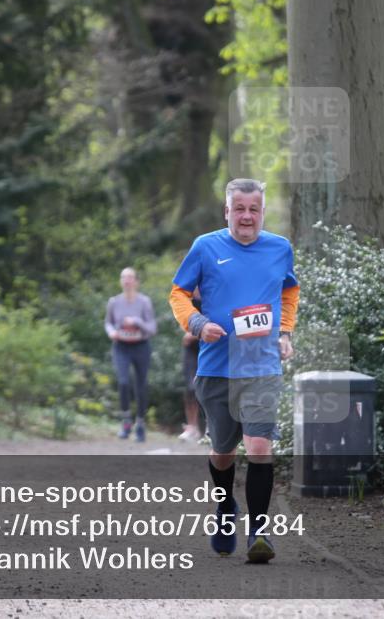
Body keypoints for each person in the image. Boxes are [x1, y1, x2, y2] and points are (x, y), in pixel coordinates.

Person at [168, 178, 299, 564]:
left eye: (253, 209)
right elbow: (178, 293)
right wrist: (197, 324)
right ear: (227, 211)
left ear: (262, 212)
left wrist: (286, 331)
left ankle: (260, 531)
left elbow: (289, 291)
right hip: (217, 366)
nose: (246, 216)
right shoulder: (205, 247)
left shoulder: (279, 248)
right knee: (223, 451)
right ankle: (226, 510)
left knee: (259, 446)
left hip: (261, 365)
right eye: (238, 209)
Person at [105, 267, 157, 442]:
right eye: (123, 277)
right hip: (121, 346)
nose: (127, 281)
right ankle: (126, 420)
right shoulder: (113, 302)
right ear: (120, 281)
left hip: (141, 346)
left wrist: (137, 321)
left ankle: (140, 423)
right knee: (123, 382)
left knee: (141, 385)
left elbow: (152, 328)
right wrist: (112, 331)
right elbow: (108, 323)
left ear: (136, 281)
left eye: (130, 277)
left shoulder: (144, 302)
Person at [179, 288, 203, 443]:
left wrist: (195, 333)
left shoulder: (213, 297)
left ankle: (209, 429)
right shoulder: (185, 300)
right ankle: (192, 427)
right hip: (191, 351)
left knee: (210, 387)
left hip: (210, 346)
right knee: (191, 388)